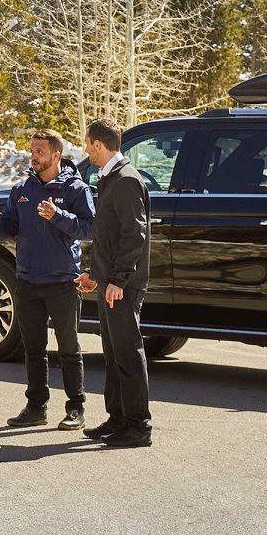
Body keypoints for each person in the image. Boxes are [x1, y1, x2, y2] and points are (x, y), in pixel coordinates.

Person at [0, 129, 95, 430]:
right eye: (32, 150)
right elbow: (10, 229)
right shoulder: (22, 189)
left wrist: (57, 215)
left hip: (62, 280)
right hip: (27, 278)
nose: (34, 156)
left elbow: (89, 229)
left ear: (56, 155)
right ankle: (36, 407)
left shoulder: (76, 189)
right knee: (34, 349)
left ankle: (75, 408)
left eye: (40, 151)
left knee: (68, 347)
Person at [80, 118, 153, 448]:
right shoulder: (110, 179)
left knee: (127, 352)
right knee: (112, 352)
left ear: (98, 144)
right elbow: (107, 236)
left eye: (87, 144)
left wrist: (119, 279)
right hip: (110, 282)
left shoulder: (125, 180)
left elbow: (133, 234)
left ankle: (138, 426)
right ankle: (117, 419)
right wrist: (95, 276)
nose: (85, 151)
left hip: (123, 284)